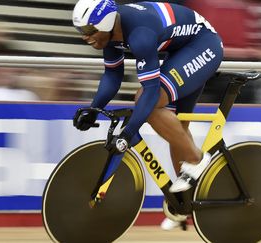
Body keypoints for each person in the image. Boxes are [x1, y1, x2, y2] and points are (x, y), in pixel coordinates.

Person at [71, 0, 223, 229]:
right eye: (81, 31)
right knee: (177, 129)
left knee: (147, 101)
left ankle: (197, 159)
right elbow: (112, 77)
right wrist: (93, 109)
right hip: (181, 49)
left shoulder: (140, 34)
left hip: (204, 45)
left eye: (89, 31)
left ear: (105, 23)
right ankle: (185, 204)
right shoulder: (110, 31)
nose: (85, 37)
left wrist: (129, 132)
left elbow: (150, 93)